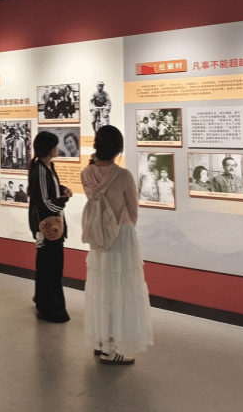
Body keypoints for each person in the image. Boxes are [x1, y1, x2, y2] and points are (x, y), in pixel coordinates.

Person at [81, 125, 153, 365]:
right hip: (120, 236)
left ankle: (102, 341)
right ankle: (111, 350)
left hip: (98, 235)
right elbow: (133, 210)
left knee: (102, 288)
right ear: (118, 148)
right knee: (120, 290)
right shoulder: (123, 176)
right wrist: (125, 227)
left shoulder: (87, 173)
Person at [28, 131, 72, 323]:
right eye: (55, 145)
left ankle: (44, 301)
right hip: (48, 228)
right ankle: (50, 308)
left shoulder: (47, 167)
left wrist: (62, 190)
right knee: (50, 268)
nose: (57, 148)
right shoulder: (40, 169)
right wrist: (63, 200)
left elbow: (49, 189)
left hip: (53, 226)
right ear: (49, 149)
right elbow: (44, 201)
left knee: (49, 267)